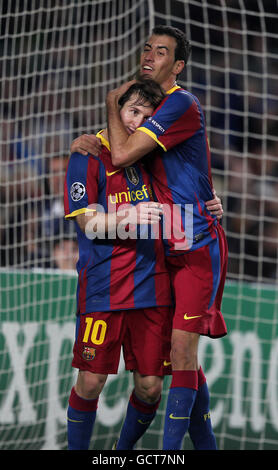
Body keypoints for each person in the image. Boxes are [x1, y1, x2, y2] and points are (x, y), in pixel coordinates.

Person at [71, 25, 227, 450]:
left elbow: (122, 155)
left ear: (177, 66)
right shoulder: (143, 125)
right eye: (147, 48)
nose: (149, 55)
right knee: (179, 363)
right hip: (155, 258)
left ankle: (168, 454)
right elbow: (146, 161)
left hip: (193, 245)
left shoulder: (180, 103)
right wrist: (96, 141)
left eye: (162, 52)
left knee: (175, 362)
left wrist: (109, 106)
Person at [64, 79, 174, 450]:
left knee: (150, 386)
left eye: (145, 116)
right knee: (91, 382)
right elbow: (88, 224)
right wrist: (131, 215)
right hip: (103, 286)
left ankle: (121, 454)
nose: (135, 121)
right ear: (117, 109)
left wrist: (211, 202)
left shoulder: (156, 156)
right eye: (131, 110)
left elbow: (188, 194)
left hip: (152, 285)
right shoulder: (88, 154)